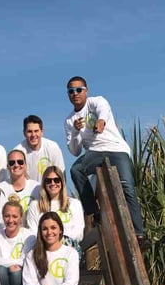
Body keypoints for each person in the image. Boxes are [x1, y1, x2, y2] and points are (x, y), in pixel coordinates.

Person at [64, 76, 150, 251]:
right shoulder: (69, 120)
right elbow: (74, 151)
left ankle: (139, 234)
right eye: (71, 91)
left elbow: (103, 111)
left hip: (116, 148)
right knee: (76, 170)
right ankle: (93, 212)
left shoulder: (96, 101)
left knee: (128, 188)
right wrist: (75, 132)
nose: (75, 94)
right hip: (95, 152)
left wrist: (101, 122)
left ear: (86, 90)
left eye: (78, 90)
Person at [26, 166, 85, 253]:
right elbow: (33, 232)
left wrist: (57, 239)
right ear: (44, 184)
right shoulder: (35, 205)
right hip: (44, 248)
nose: (53, 183)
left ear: (62, 182)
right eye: (48, 181)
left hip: (68, 248)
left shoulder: (74, 204)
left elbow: (79, 232)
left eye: (56, 180)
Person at [15, 115, 65, 183]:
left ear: (42, 132)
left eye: (36, 131)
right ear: (24, 133)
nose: (33, 135)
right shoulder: (18, 152)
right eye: (29, 131)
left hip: (49, 189)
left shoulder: (53, 147)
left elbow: (61, 175)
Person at [0, 150, 40, 225]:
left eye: (20, 162)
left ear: (25, 165)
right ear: (8, 167)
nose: (16, 165)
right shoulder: (0, 189)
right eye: (12, 163)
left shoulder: (37, 187)